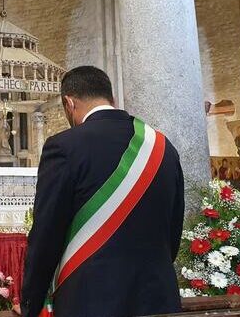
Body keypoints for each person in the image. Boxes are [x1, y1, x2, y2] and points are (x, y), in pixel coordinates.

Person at [20, 66, 184, 317]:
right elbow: (173, 234)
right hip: (157, 299)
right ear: (112, 99)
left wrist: (30, 303)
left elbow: (47, 234)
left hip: (91, 300)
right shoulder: (163, 147)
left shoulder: (63, 146)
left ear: (68, 103)